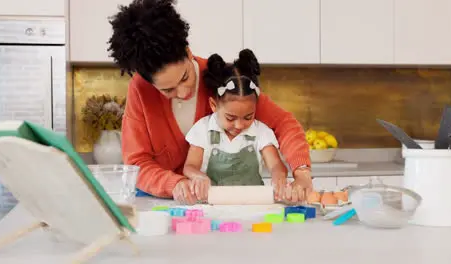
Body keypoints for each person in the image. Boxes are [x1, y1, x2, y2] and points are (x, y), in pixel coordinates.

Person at [107, 0, 313, 205]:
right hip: (162, 203)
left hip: (215, 203)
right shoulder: (140, 91)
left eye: (185, 77)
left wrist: (301, 172)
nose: (183, 92)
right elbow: (137, 163)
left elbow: (283, 124)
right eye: (167, 90)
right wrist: (175, 184)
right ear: (148, 82)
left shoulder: (222, 78)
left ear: (188, 53)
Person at [184, 49, 290, 202]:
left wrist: (279, 177)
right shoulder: (202, 130)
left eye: (248, 117)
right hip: (213, 205)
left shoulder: (261, 132)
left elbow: (275, 165)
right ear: (213, 105)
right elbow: (190, 166)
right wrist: (198, 176)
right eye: (230, 117)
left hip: (253, 205)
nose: (239, 125)